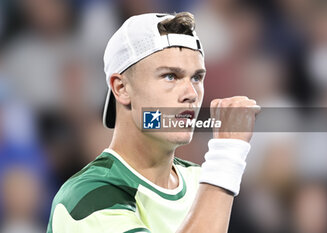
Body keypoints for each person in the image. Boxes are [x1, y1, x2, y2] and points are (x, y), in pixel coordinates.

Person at [46, 12, 260, 233]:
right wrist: (226, 154)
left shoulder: (202, 182)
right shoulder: (86, 198)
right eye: (170, 76)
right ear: (121, 88)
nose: (191, 93)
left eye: (196, 77)